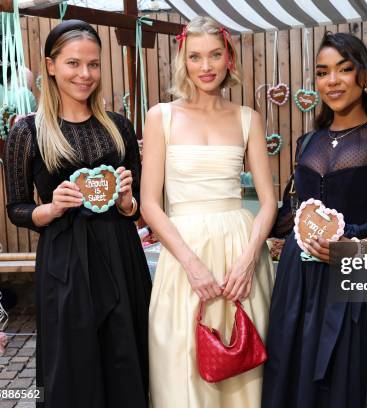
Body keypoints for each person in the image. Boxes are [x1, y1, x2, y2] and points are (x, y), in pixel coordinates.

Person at [4, 20, 151, 407]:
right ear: (51, 66)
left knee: (124, 354)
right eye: (73, 63)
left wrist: (127, 204)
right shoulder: (28, 132)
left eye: (93, 64)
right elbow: (15, 209)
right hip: (65, 262)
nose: (84, 75)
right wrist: (50, 208)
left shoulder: (119, 127)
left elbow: (137, 212)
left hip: (121, 257)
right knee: (71, 363)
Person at [262, 32, 367, 408]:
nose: (332, 80)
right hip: (297, 279)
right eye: (323, 72)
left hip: (352, 278)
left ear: (365, 76)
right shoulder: (306, 143)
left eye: (344, 69)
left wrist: (355, 250)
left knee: (341, 381)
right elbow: (289, 215)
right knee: (289, 370)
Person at [140, 16, 276, 407]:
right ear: (183, 59)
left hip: (240, 252)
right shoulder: (160, 116)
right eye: (196, 56)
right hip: (185, 256)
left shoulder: (247, 117)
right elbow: (150, 202)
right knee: (180, 363)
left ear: (228, 57)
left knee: (245, 361)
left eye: (215, 54)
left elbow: (267, 201)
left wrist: (249, 260)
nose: (206, 66)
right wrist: (192, 265)